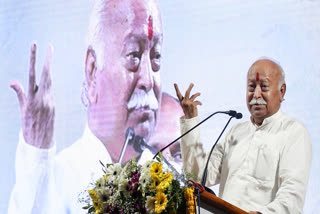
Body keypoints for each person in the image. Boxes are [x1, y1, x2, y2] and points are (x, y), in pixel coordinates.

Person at [8, 0, 181, 213]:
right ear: (92, 70)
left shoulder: (172, 186)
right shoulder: (56, 182)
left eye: (156, 57)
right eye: (133, 56)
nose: (148, 79)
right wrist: (36, 151)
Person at [174, 58, 312, 214]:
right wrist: (190, 120)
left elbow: (292, 196)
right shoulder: (236, 132)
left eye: (264, 87)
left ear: (282, 91)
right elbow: (199, 178)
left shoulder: (294, 132)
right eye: (251, 87)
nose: (256, 94)